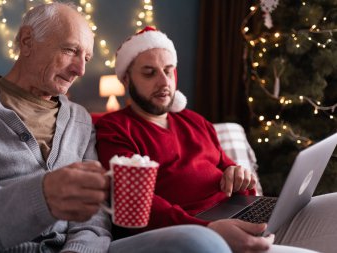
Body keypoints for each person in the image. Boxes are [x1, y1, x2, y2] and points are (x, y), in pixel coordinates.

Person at [0, 3, 234, 253]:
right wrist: (42, 197)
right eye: (70, 50)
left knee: (199, 242)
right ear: (28, 41)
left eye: (86, 58)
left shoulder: (79, 119)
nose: (80, 69)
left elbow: (95, 219)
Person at [95, 26, 337, 253]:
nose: (164, 82)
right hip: (200, 234)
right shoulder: (115, 129)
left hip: (244, 217)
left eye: (168, 71)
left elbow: (231, 171)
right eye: (149, 73)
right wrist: (208, 230)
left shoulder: (195, 121)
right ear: (126, 79)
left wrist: (238, 174)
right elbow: (137, 202)